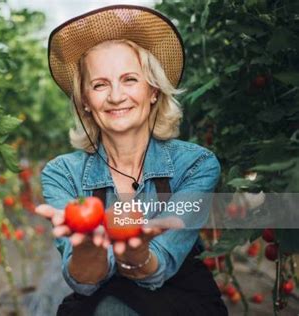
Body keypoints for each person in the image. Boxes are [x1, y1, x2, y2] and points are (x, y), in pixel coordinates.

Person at [35, 5, 227, 316]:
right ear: (84, 100)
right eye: (100, 84)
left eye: (129, 79)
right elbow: (84, 283)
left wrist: (137, 257)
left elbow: (162, 264)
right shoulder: (62, 174)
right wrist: (88, 251)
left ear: (153, 90)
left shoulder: (195, 165)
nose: (115, 96)